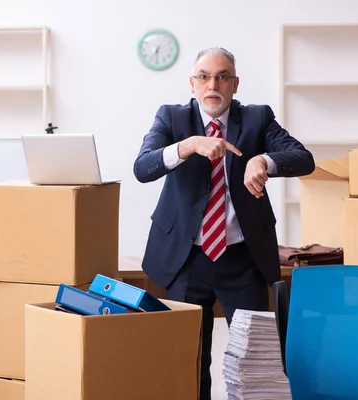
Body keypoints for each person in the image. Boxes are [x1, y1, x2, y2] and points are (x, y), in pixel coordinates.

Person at [133, 47, 315, 399]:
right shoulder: (171, 118)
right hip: (186, 259)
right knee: (189, 359)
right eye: (203, 76)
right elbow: (143, 168)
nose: (212, 84)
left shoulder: (257, 118)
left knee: (255, 360)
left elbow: (303, 159)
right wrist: (188, 146)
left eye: (222, 76)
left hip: (243, 259)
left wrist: (264, 160)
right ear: (192, 83)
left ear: (235, 83)